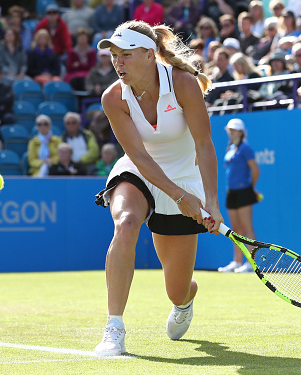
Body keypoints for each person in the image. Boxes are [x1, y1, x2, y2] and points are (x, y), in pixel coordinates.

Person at [92, 21, 223, 356]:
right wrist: (181, 198)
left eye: (126, 55)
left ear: (150, 55)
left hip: (184, 175)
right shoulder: (113, 98)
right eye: (114, 56)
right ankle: (114, 327)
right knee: (125, 223)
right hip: (139, 170)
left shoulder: (183, 84)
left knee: (177, 290)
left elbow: (205, 146)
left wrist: (210, 202)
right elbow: (137, 155)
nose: (118, 63)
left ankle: (184, 301)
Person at [218, 119, 260, 273]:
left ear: (242, 132)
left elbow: (255, 170)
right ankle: (237, 262)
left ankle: (252, 263)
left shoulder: (246, 148)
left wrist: (250, 187)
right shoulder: (231, 148)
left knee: (247, 227)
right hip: (231, 192)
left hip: (243, 191)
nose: (232, 132)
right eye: (230, 129)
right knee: (235, 229)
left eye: (235, 130)